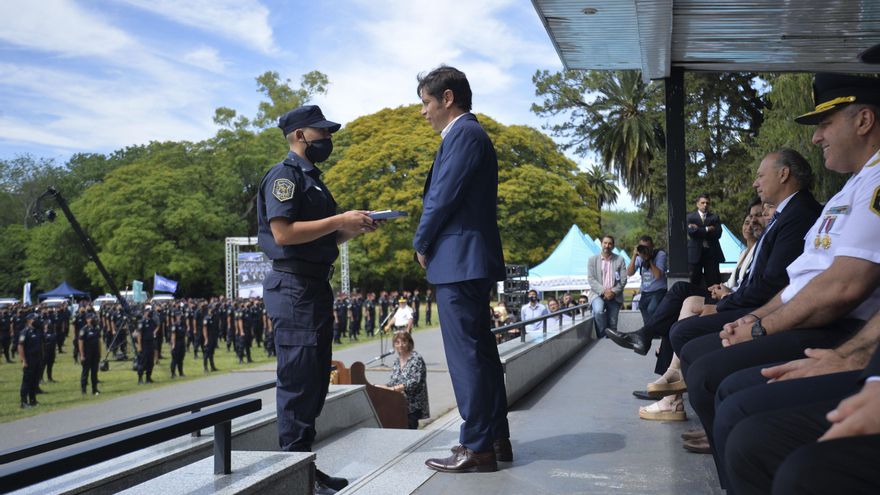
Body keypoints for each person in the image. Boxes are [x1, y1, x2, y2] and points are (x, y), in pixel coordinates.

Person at [678, 73, 880, 487]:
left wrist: (759, 326)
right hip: (823, 322)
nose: (816, 138)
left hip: (838, 325)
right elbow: (797, 281)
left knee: (731, 402)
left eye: (825, 124)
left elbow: (842, 287)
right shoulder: (851, 189)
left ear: (863, 121)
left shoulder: (871, 185)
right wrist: (757, 321)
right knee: (709, 370)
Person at [257, 104, 379, 494]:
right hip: (294, 290)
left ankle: (304, 467)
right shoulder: (285, 177)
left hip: (312, 289)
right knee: (298, 385)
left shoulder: (313, 179)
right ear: (299, 136)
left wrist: (350, 229)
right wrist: (339, 220)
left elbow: (321, 236)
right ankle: (294, 476)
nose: (327, 140)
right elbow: (284, 233)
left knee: (314, 383)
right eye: (321, 133)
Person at [414, 66, 511, 474]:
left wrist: (421, 241)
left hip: (458, 261)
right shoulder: (467, 135)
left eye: (426, 103)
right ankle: (494, 438)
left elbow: (442, 195)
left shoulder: (465, 134)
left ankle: (476, 446)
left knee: (467, 357)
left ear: (447, 98)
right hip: (468, 260)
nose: (423, 112)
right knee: (481, 354)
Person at [376, 332, 429, 429]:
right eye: (397, 342)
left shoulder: (416, 358)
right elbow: (393, 381)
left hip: (412, 405)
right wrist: (381, 387)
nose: (400, 345)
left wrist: (393, 389)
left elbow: (414, 381)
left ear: (409, 342)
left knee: (409, 433)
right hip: (398, 403)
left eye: (403, 342)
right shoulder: (396, 361)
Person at [587, 235, 627, 338]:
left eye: (610, 243)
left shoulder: (620, 259)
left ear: (613, 246)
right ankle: (602, 338)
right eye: (605, 243)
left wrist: (612, 292)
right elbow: (591, 279)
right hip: (597, 294)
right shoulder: (592, 260)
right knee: (599, 311)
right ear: (601, 244)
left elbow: (623, 280)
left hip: (615, 295)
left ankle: (611, 345)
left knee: (613, 323)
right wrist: (604, 292)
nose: (607, 245)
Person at [627, 235, 668, 324]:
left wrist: (649, 259)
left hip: (658, 291)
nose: (644, 250)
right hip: (645, 292)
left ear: (652, 246)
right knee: (643, 308)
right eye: (642, 247)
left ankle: (655, 331)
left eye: (647, 247)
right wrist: (634, 256)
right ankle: (650, 332)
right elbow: (629, 273)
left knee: (652, 309)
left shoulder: (660, 255)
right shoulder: (639, 257)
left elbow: (658, 275)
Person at [686, 193, 723, 288]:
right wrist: (707, 229)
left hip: (711, 254)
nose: (705, 205)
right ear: (697, 204)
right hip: (695, 255)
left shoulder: (714, 217)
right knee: (693, 282)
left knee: (713, 282)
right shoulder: (690, 217)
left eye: (707, 203)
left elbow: (718, 234)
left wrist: (698, 230)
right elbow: (691, 232)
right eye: (702, 202)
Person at [18, 313, 42, 408]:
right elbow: (20, 346)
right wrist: (23, 360)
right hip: (29, 359)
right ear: (29, 320)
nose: (36, 321)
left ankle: (33, 400)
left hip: (37, 359)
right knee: (27, 381)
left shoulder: (37, 331)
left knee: (34, 380)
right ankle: (23, 402)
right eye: (34, 319)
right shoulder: (25, 332)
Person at [78, 312, 101, 395]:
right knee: (85, 372)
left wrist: (99, 353)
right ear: (87, 319)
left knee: (94, 372)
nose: (92, 319)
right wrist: (82, 355)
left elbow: (99, 341)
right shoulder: (83, 330)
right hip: (87, 354)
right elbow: (80, 343)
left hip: (95, 354)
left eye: (93, 318)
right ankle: (83, 390)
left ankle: (94, 389)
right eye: (91, 318)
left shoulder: (96, 328)